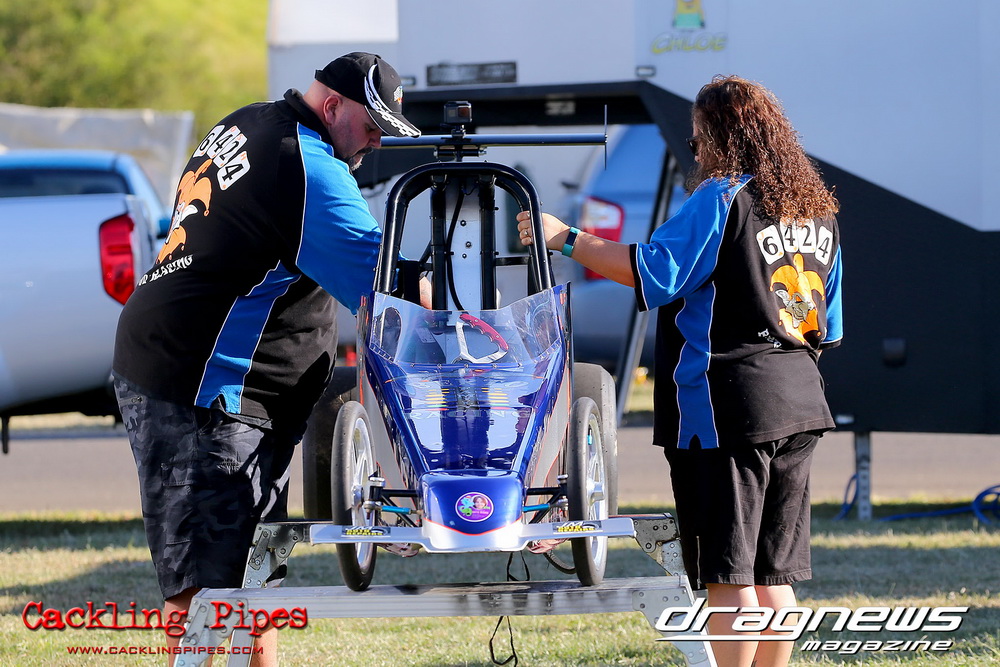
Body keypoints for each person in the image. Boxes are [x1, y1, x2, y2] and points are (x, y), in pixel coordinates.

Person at [516, 75, 842, 667]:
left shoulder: (721, 197)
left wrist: (566, 238)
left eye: (697, 140)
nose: (695, 152)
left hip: (728, 408)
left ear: (722, 137)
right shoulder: (815, 210)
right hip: (800, 401)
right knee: (774, 577)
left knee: (728, 576)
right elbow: (828, 325)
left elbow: (652, 272)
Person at [113, 52, 421, 665]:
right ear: (332, 106)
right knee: (206, 584)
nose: (377, 144)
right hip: (205, 387)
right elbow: (389, 288)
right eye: (371, 127)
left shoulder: (248, 120)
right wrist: (475, 323)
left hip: (206, 372)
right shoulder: (307, 168)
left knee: (257, 569)